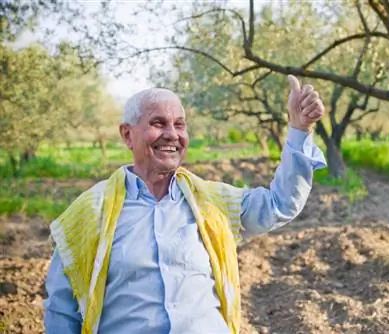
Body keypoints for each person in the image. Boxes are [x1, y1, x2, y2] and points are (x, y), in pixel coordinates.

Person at [43, 74, 327, 334]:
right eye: (158, 123)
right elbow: (61, 313)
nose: (172, 134)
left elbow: (279, 204)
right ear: (127, 134)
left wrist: (299, 130)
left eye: (179, 124)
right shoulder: (91, 212)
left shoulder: (211, 203)